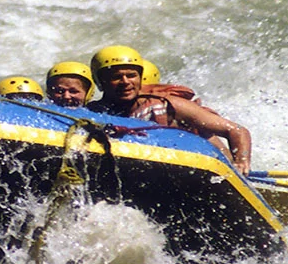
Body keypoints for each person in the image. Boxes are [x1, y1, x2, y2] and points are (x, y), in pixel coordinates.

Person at [86, 45, 252, 174]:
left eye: (131, 75)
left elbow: (237, 130)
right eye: (116, 77)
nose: (125, 82)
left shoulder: (168, 105)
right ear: (101, 82)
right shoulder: (93, 112)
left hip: (204, 168)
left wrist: (241, 162)